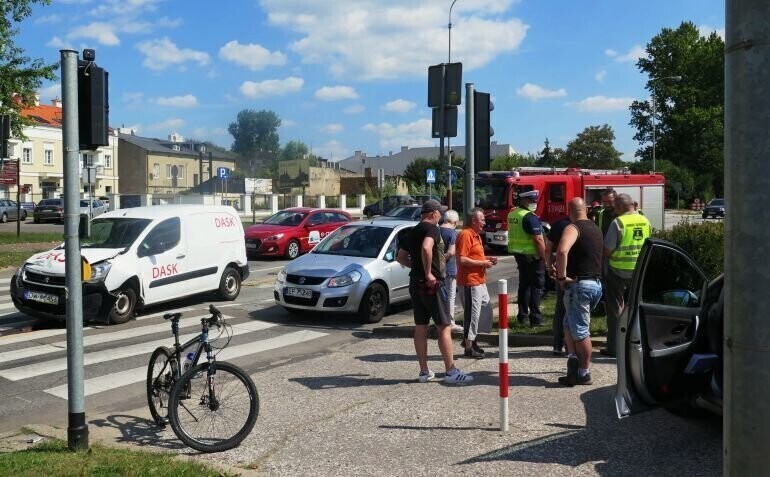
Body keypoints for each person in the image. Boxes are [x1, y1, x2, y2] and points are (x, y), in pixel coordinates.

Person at [397, 199, 473, 384]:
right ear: (432, 214)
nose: (442, 215)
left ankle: (424, 371)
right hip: (432, 284)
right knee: (444, 326)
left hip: (415, 283)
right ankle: (451, 371)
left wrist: (417, 268)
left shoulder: (413, 231)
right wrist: (429, 272)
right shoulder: (432, 229)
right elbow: (426, 247)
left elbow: (400, 257)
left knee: (421, 327)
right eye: (440, 212)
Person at [554, 198, 604, 386]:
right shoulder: (595, 229)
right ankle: (573, 361)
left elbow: (561, 251)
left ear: (569, 211)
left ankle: (584, 373)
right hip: (594, 284)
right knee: (569, 323)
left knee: (581, 330)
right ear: (587, 209)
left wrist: (560, 276)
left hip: (579, 285)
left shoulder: (573, 228)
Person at [602, 193, 652, 357]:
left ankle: (615, 348)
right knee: (638, 307)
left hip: (617, 270)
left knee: (615, 308)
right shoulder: (645, 220)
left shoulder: (618, 222)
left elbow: (608, 250)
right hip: (639, 270)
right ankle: (640, 342)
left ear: (619, 207)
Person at [456, 207, 497, 359]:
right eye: (482, 220)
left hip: (479, 280)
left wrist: (487, 259)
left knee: (484, 310)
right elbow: (462, 259)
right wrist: (482, 264)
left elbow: (475, 256)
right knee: (472, 315)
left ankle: (471, 340)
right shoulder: (466, 235)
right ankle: (468, 347)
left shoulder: (476, 236)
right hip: (470, 282)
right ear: (474, 220)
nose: (484, 223)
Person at [507, 190, 547, 326]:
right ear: (523, 201)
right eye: (531, 201)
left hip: (519, 254)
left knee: (524, 285)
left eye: (535, 201)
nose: (534, 203)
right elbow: (538, 240)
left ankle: (522, 316)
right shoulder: (530, 217)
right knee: (537, 286)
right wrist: (544, 257)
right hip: (533, 256)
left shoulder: (513, 214)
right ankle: (535, 318)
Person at [545, 212, 571, 355]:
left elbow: (548, 248)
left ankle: (557, 344)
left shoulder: (558, 224)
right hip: (579, 271)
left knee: (561, 308)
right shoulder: (586, 225)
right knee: (577, 309)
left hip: (561, 270)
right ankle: (572, 346)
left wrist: (549, 267)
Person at [439, 209, 463, 333]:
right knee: (450, 296)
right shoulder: (452, 233)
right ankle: (450, 323)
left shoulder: (437, 230)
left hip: (436, 270)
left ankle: (440, 320)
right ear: (455, 222)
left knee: (440, 296)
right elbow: (452, 252)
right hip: (449, 269)